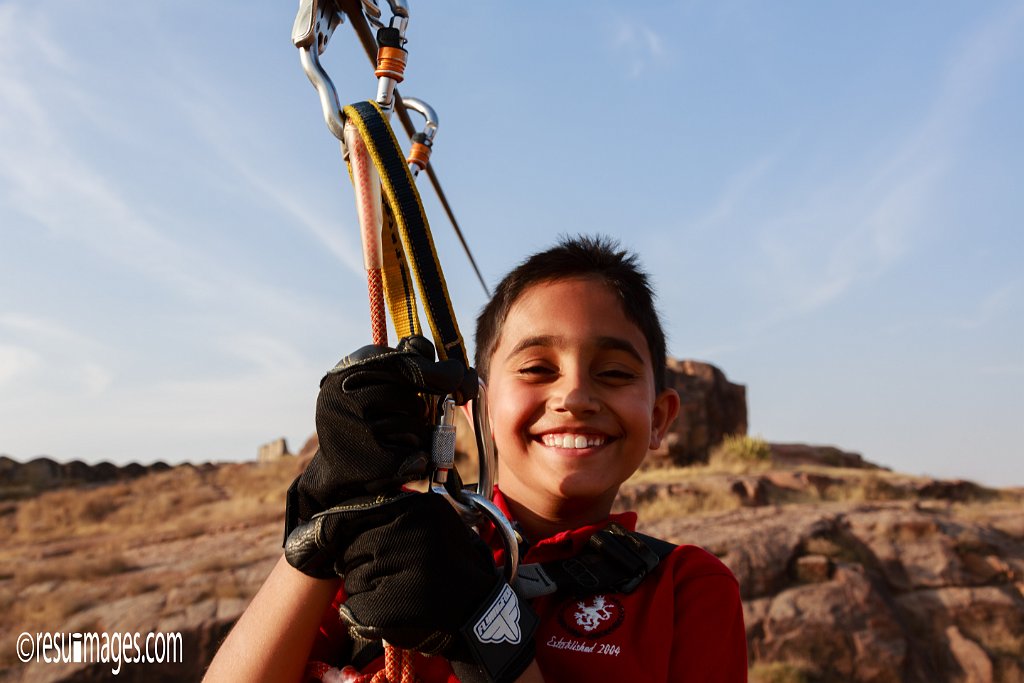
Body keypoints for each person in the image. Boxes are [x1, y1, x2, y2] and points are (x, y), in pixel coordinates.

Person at [204, 235, 747, 683]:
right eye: (537, 369)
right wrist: (325, 518)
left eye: (615, 373)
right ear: (472, 409)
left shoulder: (686, 590)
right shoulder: (390, 544)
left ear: (659, 418)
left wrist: (485, 631)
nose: (576, 397)